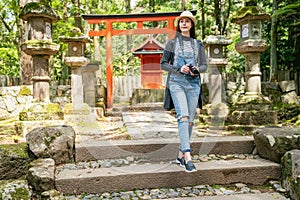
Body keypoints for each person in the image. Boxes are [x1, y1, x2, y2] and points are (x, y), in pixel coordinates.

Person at [160, 10, 207, 172]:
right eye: (181, 21)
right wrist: (179, 68)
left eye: (187, 21)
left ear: (192, 24)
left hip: (194, 84)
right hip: (176, 83)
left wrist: (195, 70)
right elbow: (163, 64)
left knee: (191, 120)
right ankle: (187, 155)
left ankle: (180, 154)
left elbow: (204, 66)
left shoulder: (198, 44)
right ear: (179, 25)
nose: (184, 23)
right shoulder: (172, 44)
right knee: (184, 117)